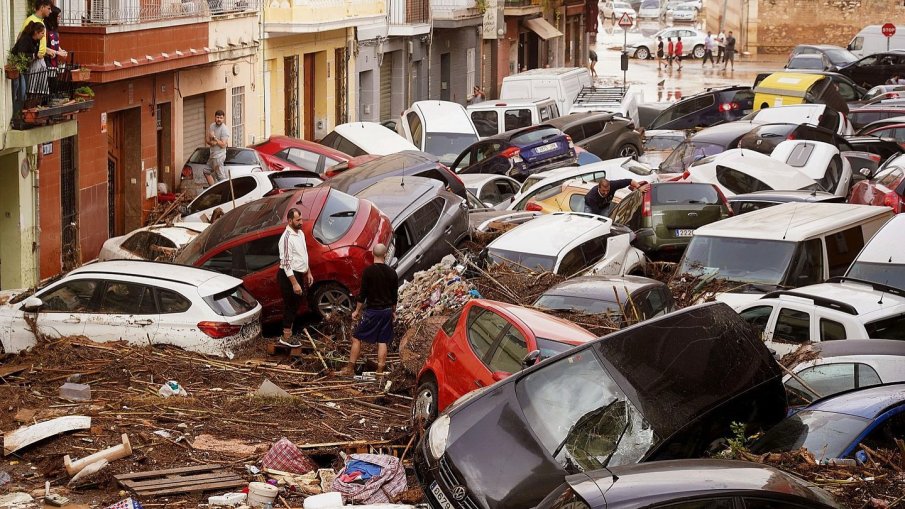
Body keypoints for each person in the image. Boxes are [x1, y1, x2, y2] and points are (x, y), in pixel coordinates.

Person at [340, 244, 398, 377]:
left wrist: (356, 311)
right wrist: (393, 311)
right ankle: (379, 371)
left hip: (373, 311)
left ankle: (350, 368)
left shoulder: (368, 272)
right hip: (387, 311)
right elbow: (394, 296)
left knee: (356, 337)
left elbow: (363, 294)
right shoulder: (392, 273)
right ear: (385, 255)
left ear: (373, 254)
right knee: (382, 341)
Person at [276, 208, 314, 345]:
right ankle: (286, 337)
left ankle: (289, 333)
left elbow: (303, 254)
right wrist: (294, 283)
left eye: (301, 219)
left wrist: (308, 271)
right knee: (290, 305)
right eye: (298, 220)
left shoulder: (300, 233)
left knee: (297, 303)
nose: (301, 222)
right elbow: (286, 263)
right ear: (290, 220)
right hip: (289, 276)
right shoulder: (286, 238)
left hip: (299, 273)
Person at [10, 22, 44, 115]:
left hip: (26, 68)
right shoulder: (25, 39)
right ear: (36, 32)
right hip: (18, 66)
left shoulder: (37, 41)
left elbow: (35, 53)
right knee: (20, 90)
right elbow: (21, 53)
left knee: (24, 92)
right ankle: (15, 113)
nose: (43, 35)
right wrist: (34, 55)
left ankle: (19, 112)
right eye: (42, 33)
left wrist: (35, 56)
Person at [584, 178, 650, 217]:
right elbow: (597, 213)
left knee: (605, 221)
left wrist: (639, 187)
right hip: (591, 207)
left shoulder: (613, 185)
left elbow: (630, 181)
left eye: (608, 190)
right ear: (599, 188)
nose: (606, 193)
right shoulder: (592, 197)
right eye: (603, 191)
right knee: (590, 221)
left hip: (605, 206)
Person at [43, 6, 67, 94]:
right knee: (50, 81)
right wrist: (57, 52)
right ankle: (49, 99)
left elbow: (56, 42)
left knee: (55, 79)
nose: (59, 18)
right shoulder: (45, 28)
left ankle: (54, 96)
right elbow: (43, 46)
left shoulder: (55, 28)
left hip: (54, 59)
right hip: (47, 59)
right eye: (58, 16)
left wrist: (61, 51)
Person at [205, 110, 230, 185]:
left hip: (219, 156)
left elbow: (223, 145)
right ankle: (213, 191)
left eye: (221, 118)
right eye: (217, 117)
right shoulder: (212, 126)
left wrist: (214, 138)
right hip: (212, 154)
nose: (219, 119)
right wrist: (211, 142)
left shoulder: (224, 129)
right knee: (206, 171)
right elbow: (207, 140)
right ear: (215, 117)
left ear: (223, 119)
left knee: (221, 177)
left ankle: (225, 193)